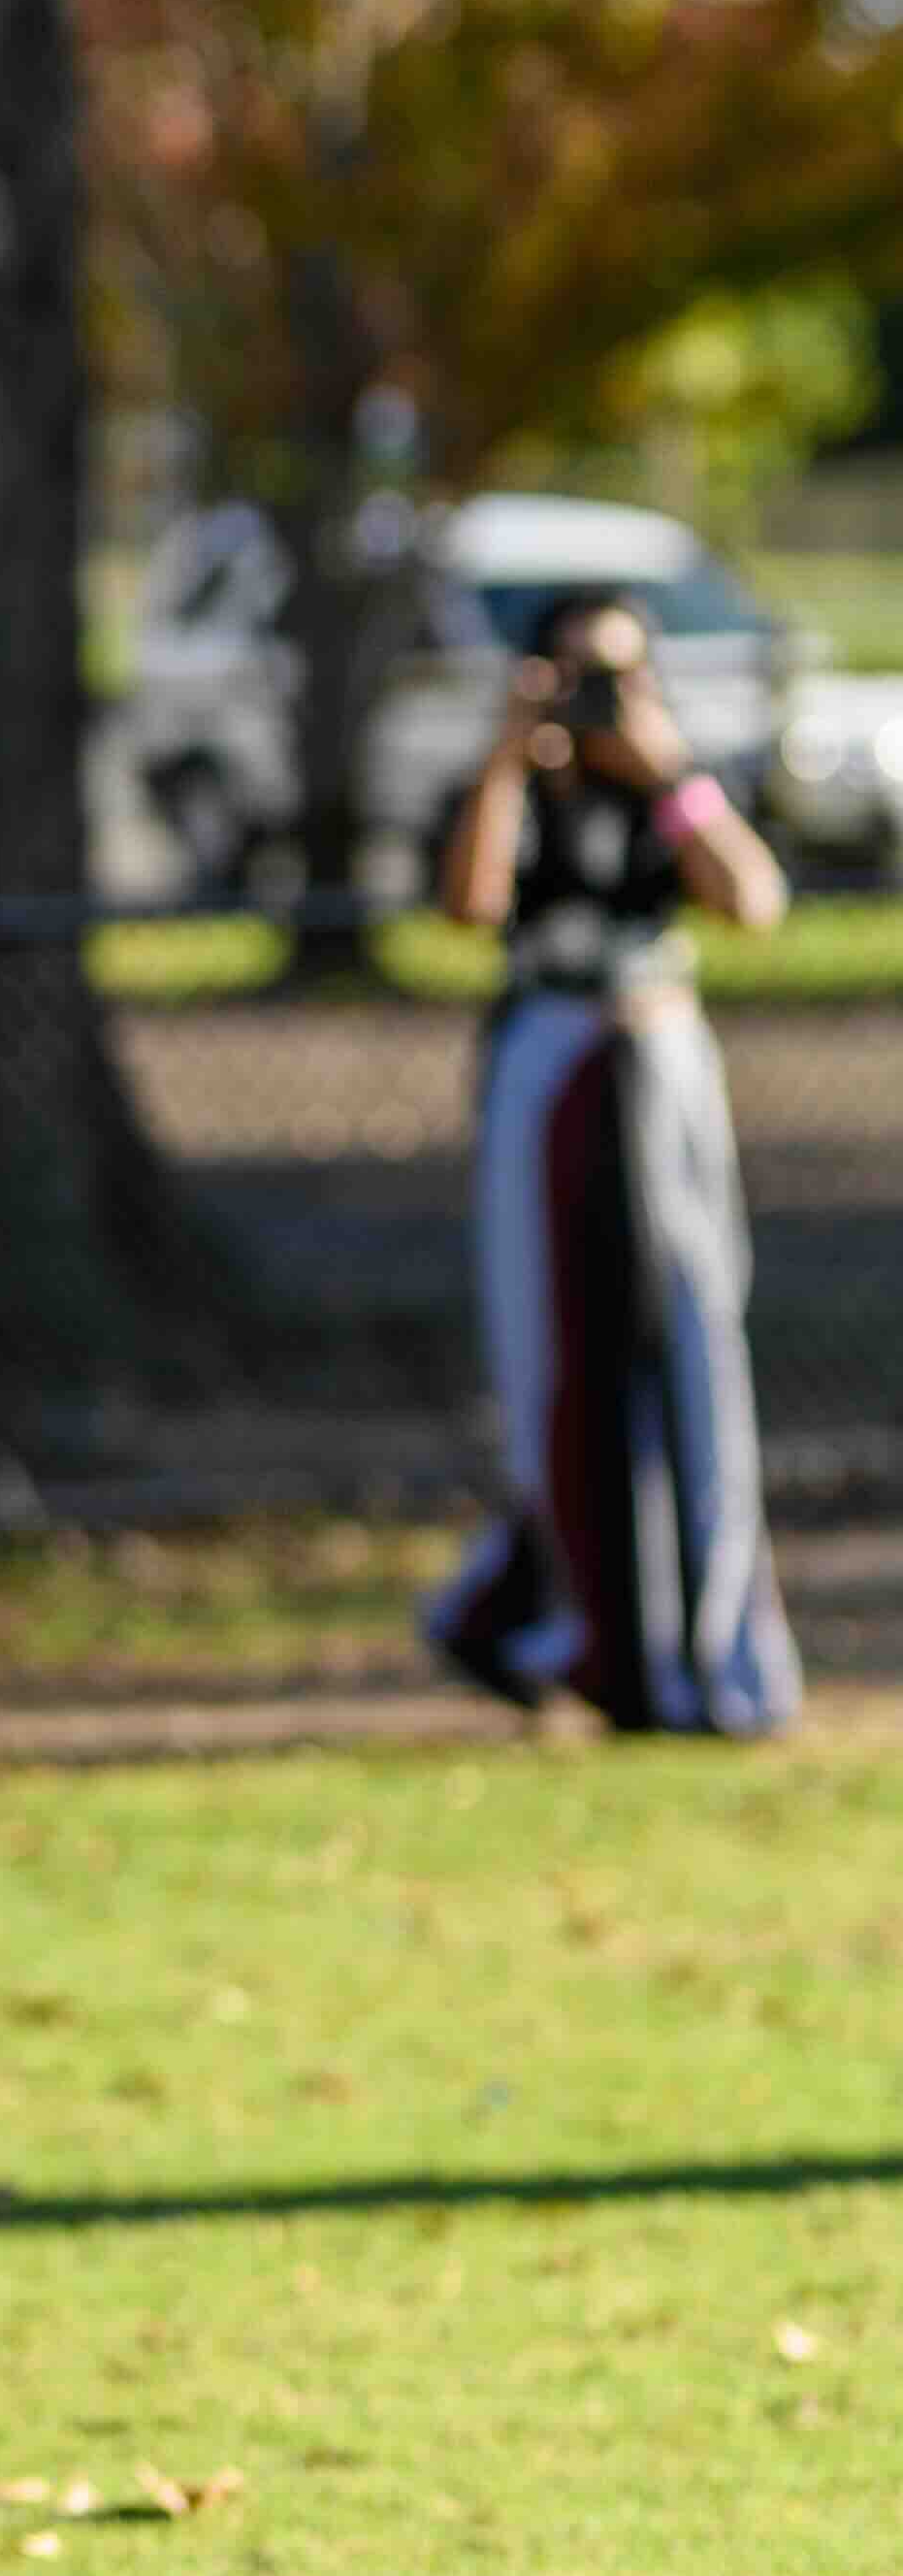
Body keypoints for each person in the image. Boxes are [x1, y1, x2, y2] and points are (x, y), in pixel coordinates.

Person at [425, 580, 796, 1735]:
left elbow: (753, 902)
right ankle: (568, 1626)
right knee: (554, 1360)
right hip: (550, 1067)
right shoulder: (516, 785)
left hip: (660, 1061)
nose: (601, 699)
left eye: (623, 673)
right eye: (579, 673)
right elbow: (469, 905)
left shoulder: (668, 785)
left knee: (691, 1345)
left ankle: (710, 1646)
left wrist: (666, 771)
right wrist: (507, 749)